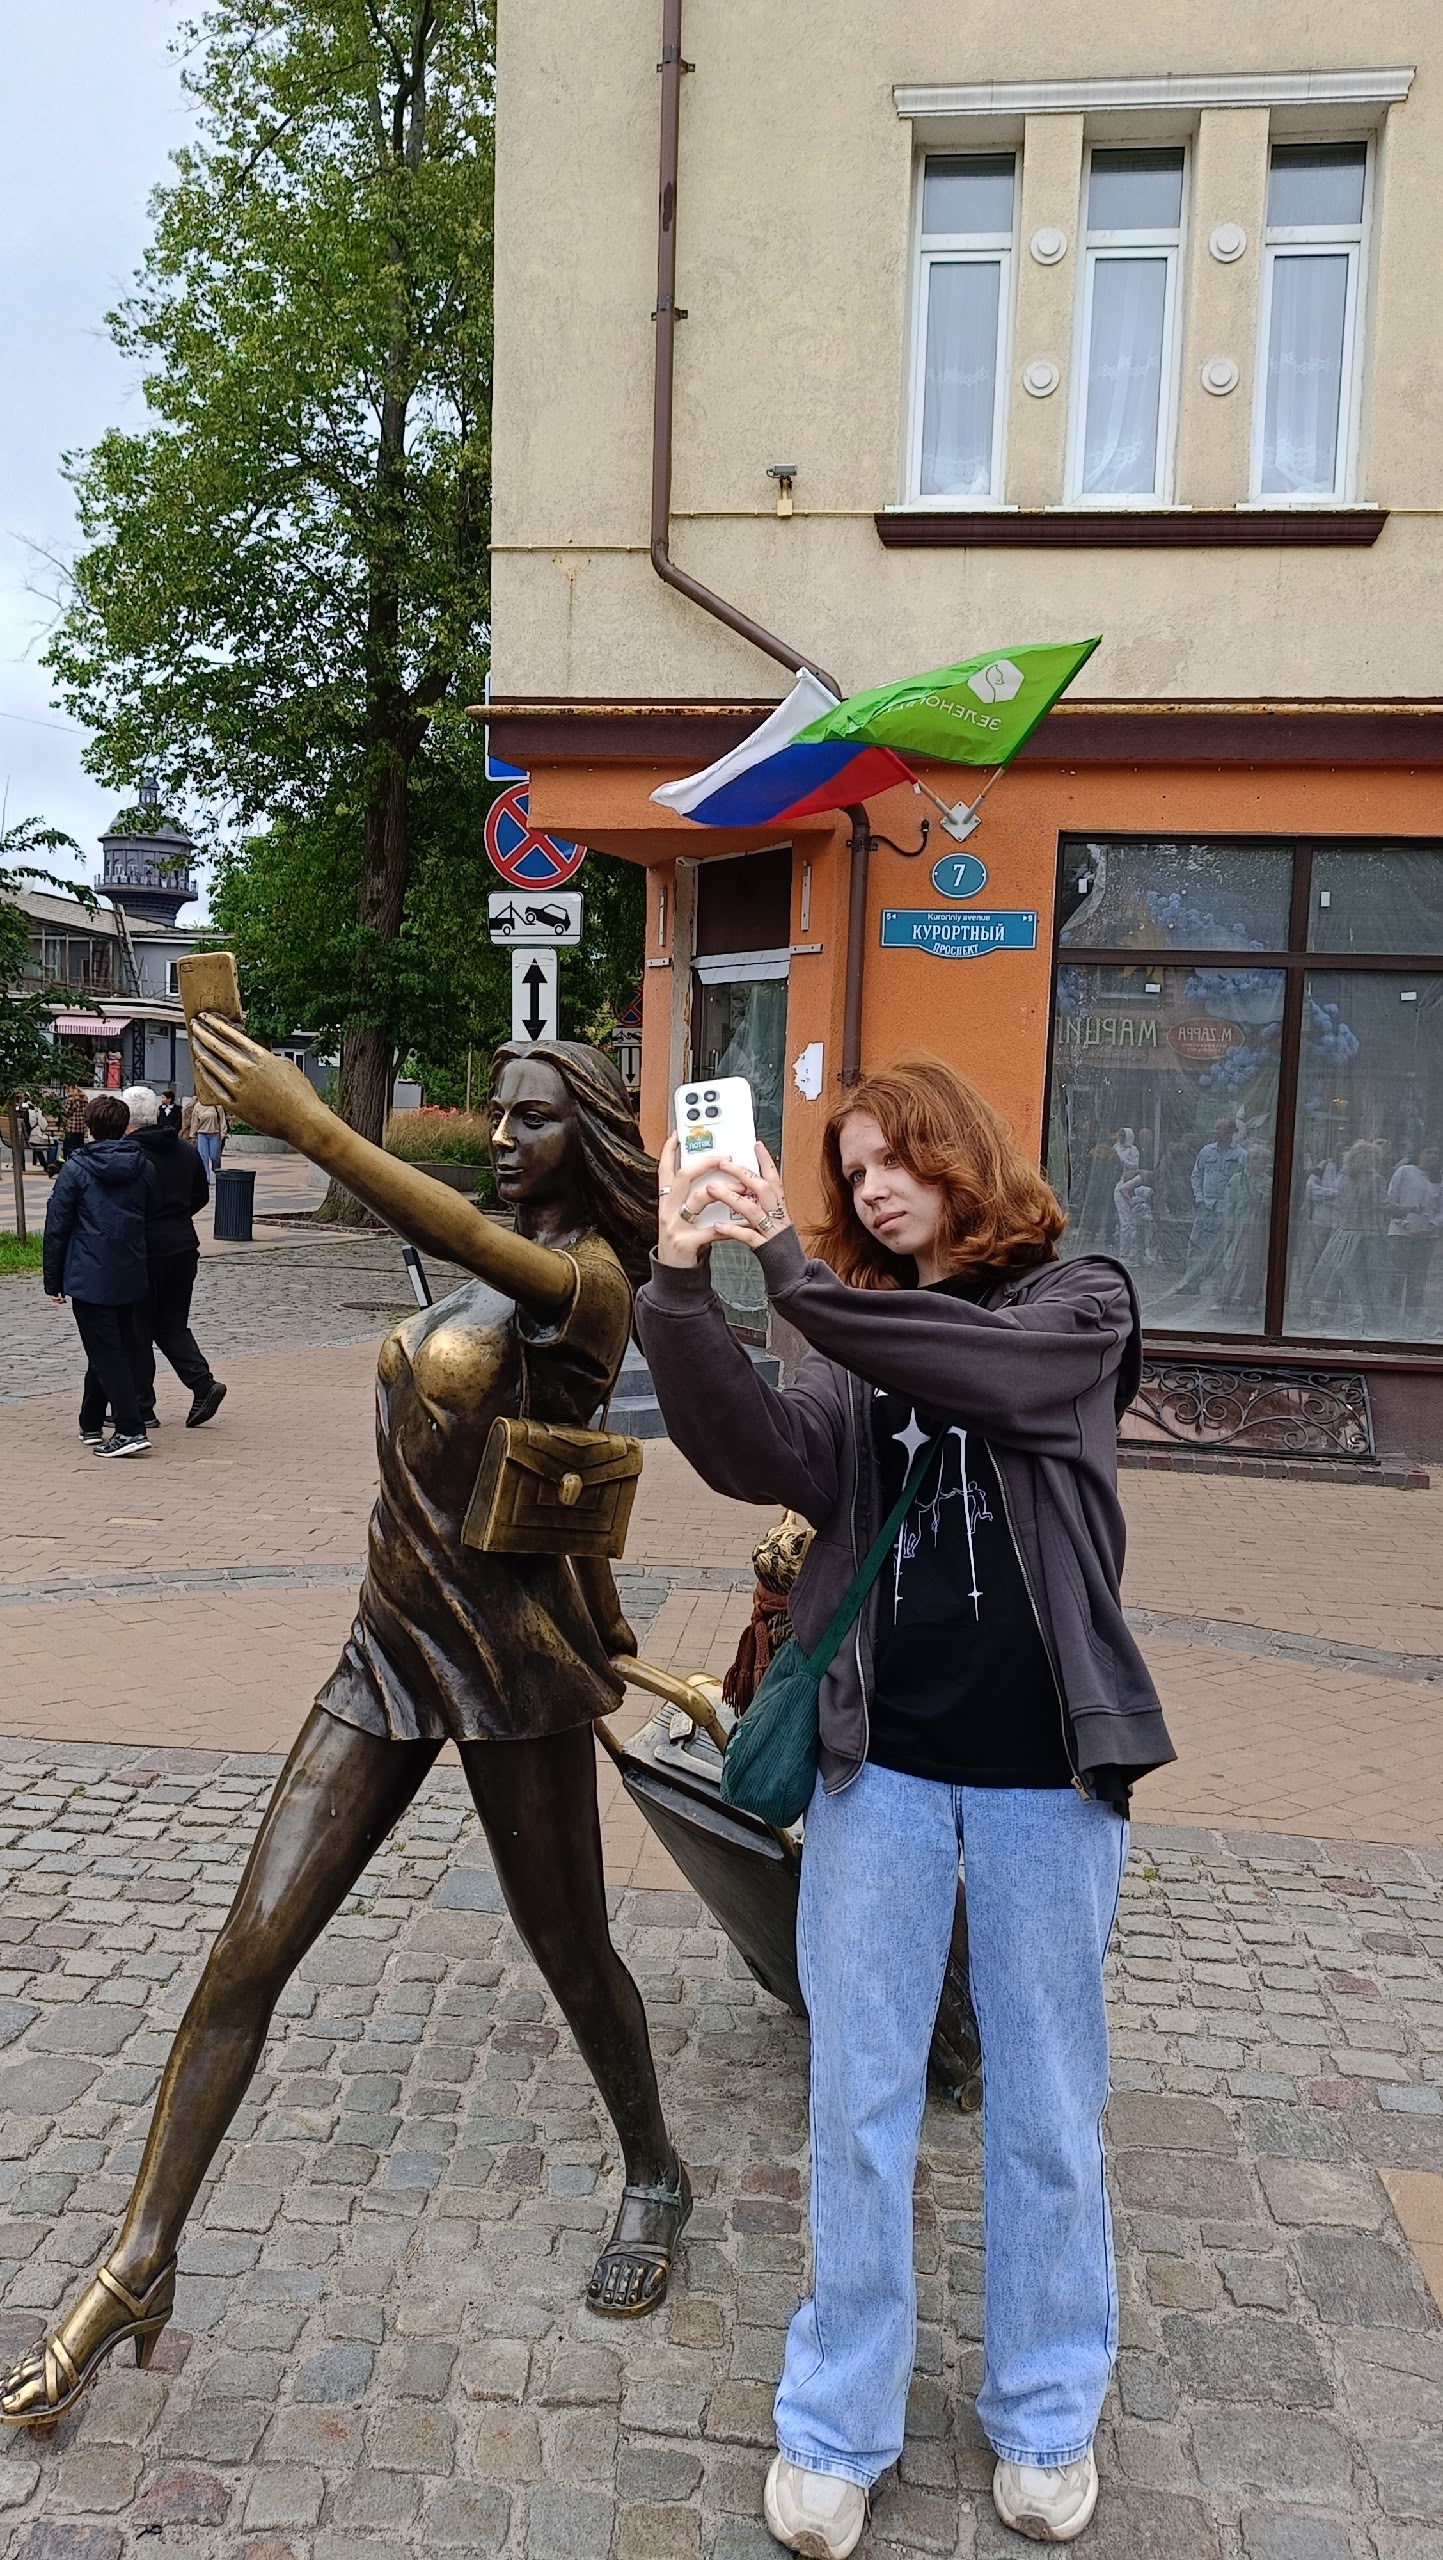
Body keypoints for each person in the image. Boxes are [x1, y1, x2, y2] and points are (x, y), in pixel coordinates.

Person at [2, 1020, 691, 2434]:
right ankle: (139, 2258)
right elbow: (541, 1464)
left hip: (507, 1674)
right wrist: (611, 1604)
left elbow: (495, 1282)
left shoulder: (591, 1285)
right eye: (494, 1116)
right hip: (385, 1650)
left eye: (530, 1119)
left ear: (593, 1139)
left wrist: (308, 1125)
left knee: (570, 1952)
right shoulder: (496, 1273)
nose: (500, 1140)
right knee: (245, 1952)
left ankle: (655, 2170)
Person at [634, 1057, 1174, 2555]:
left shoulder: (1080, 1303)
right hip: (879, 1768)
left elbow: (989, 1377)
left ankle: (1046, 2410)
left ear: (962, 1155)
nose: (872, 1186)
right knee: (858, 2097)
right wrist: (679, 1281)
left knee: (1046, 2103)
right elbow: (758, 1450)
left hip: (1046, 1774)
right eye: (850, 1167)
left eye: (895, 1158)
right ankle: (836, 2417)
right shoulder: (852, 1340)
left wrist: (791, 1270)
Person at [41, 1095, 156, 1459]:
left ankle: (129, 1428)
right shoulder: (144, 1166)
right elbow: (152, 1215)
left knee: (107, 1353)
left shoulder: (76, 1169)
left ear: (90, 1127)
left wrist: (53, 1280)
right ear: (124, 1126)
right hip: (129, 1269)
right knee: (108, 1348)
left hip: (90, 1273)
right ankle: (91, 1421)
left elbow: (57, 1226)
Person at [121, 1086, 226, 1428]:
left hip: (144, 1249)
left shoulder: (129, 1153)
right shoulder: (184, 1150)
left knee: (137, 1327)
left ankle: (142, 1407)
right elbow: (200, 1195)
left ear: (125, 1120)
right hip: (182, 1246)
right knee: (171, 1323)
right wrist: (177, 1216)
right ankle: (203, 1384)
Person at [1180, 1114, 1244, 1296]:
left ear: (1232, 1131)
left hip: (1227, 1209)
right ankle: (1191, 1283)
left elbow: (1243, 1182)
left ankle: (1221, 1287)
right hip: (1206, 1206)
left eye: (1223, 1129)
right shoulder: (1206, 1152)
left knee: (1224, 1248)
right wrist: (1199, 1199)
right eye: (1217, 1128)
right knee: (1196, 1244)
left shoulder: (1241, 1155)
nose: (1219, 1132)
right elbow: (1196, 1175)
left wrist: (1235, 1207)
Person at [1386, 1143, 1441, 1328]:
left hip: (1426, 1237)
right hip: (1400, 1234)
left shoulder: (1439, 1178)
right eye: (1428, 1152)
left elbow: (1440, 1209)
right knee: (1396, 1277)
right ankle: (1390, 1319)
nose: (1432, 1156)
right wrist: (1406, 1225)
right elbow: (1391, 1201)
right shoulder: (1404, 1172)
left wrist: (1432, 1226)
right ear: (1419, 1153)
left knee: (1418, 1280)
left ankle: (1411, 1320)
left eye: (1436, 1153)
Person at [189, 1093, 227, 1176]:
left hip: (215, 1134)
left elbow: (222, 1120)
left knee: (214, 1156)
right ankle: (206, 1177)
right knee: (203, 1157)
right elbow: (194, 1122)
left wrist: (223, 1133)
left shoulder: (217, 1106)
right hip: (202, 1134)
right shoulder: (197, 1106)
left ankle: (216, 1172)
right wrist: (192, 1135)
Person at [60, 1086, 89, 1162]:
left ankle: (67, 1163)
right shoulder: (85, 1100)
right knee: (79, 1148)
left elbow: (66, 1112)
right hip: (81, 1129)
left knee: (67, 1149)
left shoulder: (70, 1100)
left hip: (71, 1128)